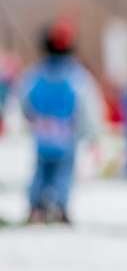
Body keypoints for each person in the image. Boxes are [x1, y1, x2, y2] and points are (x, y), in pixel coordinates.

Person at [19, 23, 100, 224]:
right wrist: (93, 134)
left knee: (41, 172)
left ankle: (36, 206)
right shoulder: (76, 76)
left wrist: (31, 118)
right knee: (64, 174)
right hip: (66, 136)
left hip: (43, 135)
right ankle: (60, 206)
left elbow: (23, 100)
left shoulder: (36, 75)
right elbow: (88, 106)